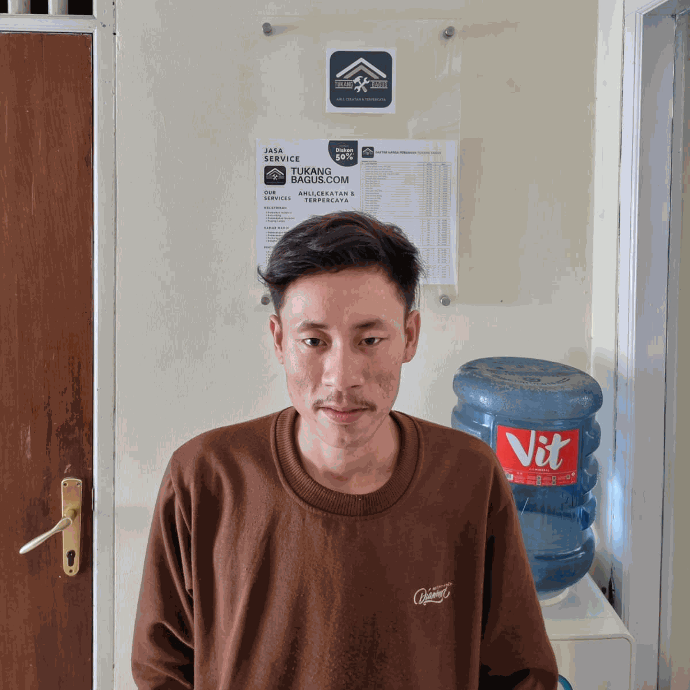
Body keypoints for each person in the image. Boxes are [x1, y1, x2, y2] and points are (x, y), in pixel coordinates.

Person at [131, 210, 559, 689]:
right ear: (279, 340)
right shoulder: (204, 476)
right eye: (313, 341)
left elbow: (521, 675)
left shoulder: (469, 477)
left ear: (410, 336)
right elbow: (161, 669)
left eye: (370, 340)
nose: (341, 378)